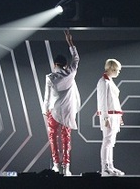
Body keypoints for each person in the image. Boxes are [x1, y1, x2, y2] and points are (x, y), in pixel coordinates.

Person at [43, 30, 81, 176]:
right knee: (66, 138)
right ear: (65, 65)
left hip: (53, 111)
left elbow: (47, 97)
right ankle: (66, 167)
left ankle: (56, 165)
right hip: (67, 111)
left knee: (53, 137)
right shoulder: (70, 73)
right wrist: (70, 43)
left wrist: (45, 110)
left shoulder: (50, 77)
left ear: (55, 64)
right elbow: (76, 59)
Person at [96, 58, 124, 176]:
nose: (118, 72)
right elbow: (102, 101)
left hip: (114, 114)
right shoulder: (103, 82)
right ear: (112, 69)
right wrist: (105, 117)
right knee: (107, 141)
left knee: (111, 142)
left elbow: (114, 100)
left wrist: (119, 115)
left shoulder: (109, 81)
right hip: (109, 115)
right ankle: (105, 167)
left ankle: (110, 165)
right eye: (117, 70)